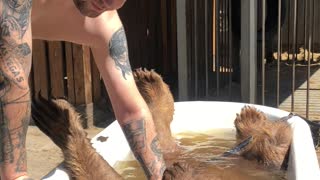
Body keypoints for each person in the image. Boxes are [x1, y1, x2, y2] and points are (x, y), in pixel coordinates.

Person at [0, 0, 167, 179]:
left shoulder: (105, 21)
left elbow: (132, 112)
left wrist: (161, 175)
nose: (110, 3)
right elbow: (12, 83)